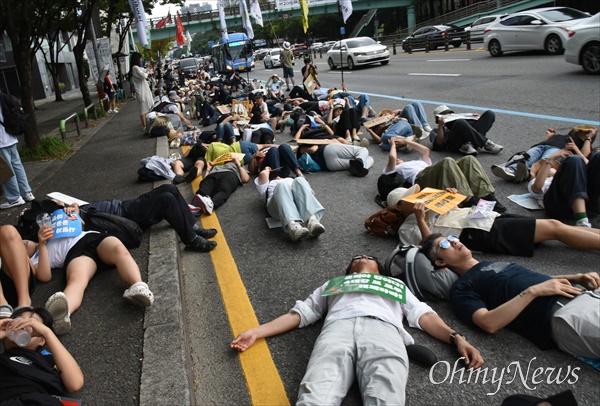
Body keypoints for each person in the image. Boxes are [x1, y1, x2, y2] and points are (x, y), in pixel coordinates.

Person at [231, 255, 484, 404]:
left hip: (384, 332)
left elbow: (424, 316)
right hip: (337, 331)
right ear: (350, 270)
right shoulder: (335, 283)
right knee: (315, 394)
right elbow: (300, 314)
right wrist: (257, 331)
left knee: (386, 396)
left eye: (369, 256)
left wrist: (456, 339)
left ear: (378, 268)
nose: (362, 256)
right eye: (357, 257)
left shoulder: (394, 284)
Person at [421, 233, 600, 359]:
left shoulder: (489, 263)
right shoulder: (461, 288)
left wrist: (575, 277)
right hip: (565, 314)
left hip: (584, 295)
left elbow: (534, 281)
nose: (453, 242)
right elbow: (488, 323)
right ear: (441, 262)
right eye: (444, 245)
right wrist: (533, 292)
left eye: (452, 238)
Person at [24, 220, 154, 335]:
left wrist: (72, 211)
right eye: (21, 247)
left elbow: (80, 223)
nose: (23, 243)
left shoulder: (50, 225)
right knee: (77, 280)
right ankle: (62, 314)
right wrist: (41, 244)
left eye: (23, 240)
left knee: (119, 250)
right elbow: (45, 276)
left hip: (92, 237)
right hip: (76, 254)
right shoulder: (33, 260)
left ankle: (138, 286)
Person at [399, 197, 600, 258]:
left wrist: (453, 198)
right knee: (554, 228)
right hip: (476, 233)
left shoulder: (428, 208)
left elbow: (454, 213)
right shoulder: (406, 228)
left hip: (485, 218)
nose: (417, 199)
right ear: (399, 207)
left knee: (556, 226)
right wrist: (419, 218)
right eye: (410, 198)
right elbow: (429, 247)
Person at [57, 185, 218, 252]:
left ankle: (192, 226)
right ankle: (191, 239)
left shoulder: (71, 209)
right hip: (125, 217)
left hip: (126, 205)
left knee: (170, 188)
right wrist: (75, 213)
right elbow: (81, 228)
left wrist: (70, 206)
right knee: (166, 199)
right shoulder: (70, 220)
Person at [381, 136, 505, 210]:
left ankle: (487, 196)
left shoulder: (415, 162)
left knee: (469, 160)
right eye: (397, 161)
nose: (398, 160)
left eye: (399, 159)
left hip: (435, 172)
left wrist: (406, 141)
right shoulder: (395, 169)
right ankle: (469, 200)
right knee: (447, 161)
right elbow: (392, 158)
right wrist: (393, 145)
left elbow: (425, 150)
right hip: (421, 180)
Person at [0, 307, 84, 403]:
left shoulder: (45, 360)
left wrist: (47, 332)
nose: (22, 325)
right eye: (18, 319)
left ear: (42, 341)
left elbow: (75, 383)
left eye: (33, 323)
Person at [492, 125, 597, 183]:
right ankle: (512, 170)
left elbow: (585, 155)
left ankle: (527, 173)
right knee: (527, 156)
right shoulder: (563, 135)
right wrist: (549, 136)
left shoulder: (582, 142)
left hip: (558, 149)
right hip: (542, 145)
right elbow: (546, 141)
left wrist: (588, 138)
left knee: (544, 160)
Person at [529, 149, 600, 228]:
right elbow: (537, 187)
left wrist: (577, 150)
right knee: (574, 159)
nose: (552, 168)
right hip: (560, 206)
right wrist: (550, 160)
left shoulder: (575, 172)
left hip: (590, 207)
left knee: (598, 156)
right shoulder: (542, 181)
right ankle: (582, 221)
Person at [255, 167, 325, 241]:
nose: (278, 177)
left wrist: (297, 172)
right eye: (275, 177)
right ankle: (293, 227)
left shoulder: (293, 180)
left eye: (280, 176)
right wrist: (266, 169)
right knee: (282, 185)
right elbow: (263, 174)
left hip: (299, 206)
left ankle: (312, 221)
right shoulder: (270, 184)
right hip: (277, 208)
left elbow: (309, 194)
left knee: (300, 180)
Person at [0, 226, 52, 317]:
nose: (24, 244)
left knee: (8, 231)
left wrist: (42, 244)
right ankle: (2, 306)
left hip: (16, 284)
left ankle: (24, 304)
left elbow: (45, 276)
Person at [0, 96, 35, 209]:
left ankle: (14, 198)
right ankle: (26, 193)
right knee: (17, 165)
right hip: (10, 136)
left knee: (5, 169)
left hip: (1, 141)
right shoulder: (3, 97)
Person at [429, 105, 503, 156]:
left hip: (471, 139)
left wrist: (474, 118)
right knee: (460, 123)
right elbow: (438, 144)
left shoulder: (461, 121)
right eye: (446, 114)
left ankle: (472, 144)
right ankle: (485, 143)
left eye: (450, 113)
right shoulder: (435, 130)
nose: (449, 115)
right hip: (455, 145)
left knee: (489, 114)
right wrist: (441, 126)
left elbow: (475, 128)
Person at [296, 140, 374, 177]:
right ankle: (360, 161)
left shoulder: (300, 153)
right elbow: (312, 150)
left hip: (329, 166)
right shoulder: (303, 146)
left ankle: (359, 168)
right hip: (327, 150)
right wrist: (316, 144)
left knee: (370, 158)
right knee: (363, 150)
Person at [129, 52, 155, 129]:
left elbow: (145, 70)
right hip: (141, 91)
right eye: (139, 58)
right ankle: (144, 126)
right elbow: (144, 75)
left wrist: (150, 66)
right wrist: (148, 71)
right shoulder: (135, 68)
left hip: (143, 89)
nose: (140, 60)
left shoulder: (137, 67)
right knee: (143, 109)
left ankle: (147, 125)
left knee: (146, 108)